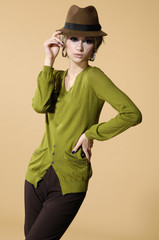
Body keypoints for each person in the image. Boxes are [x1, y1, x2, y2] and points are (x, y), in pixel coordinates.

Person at [24, 5, 142, 240]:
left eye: (87, 41)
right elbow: (39, 106)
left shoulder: (94, 78)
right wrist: (48, 60)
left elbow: (132, 114)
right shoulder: (53, 77)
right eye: (74, 39)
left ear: (95, 46)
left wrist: (91, 133)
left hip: (70, 178)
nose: (79, 46)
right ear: (64, 42)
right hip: (36, 173)